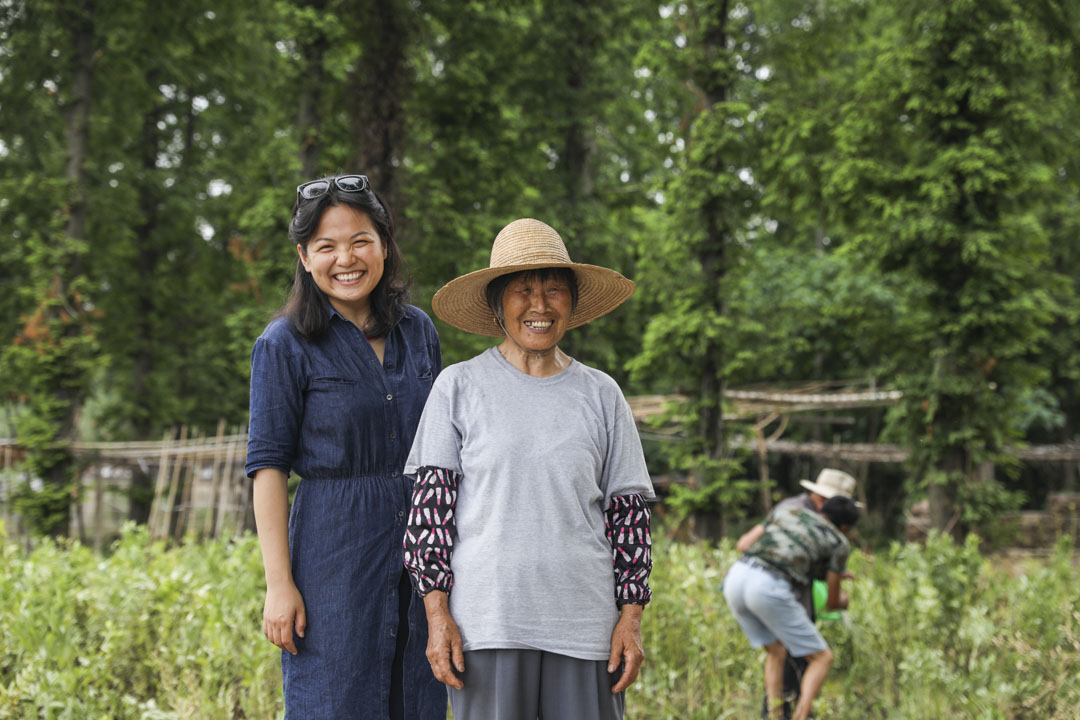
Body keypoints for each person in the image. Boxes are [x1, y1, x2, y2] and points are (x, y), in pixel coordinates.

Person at [401, 218, 654, 720]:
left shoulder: (602, 395)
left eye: (554, 290)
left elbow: (630, 516)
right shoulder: (458, 387)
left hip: (586, 629)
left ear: (573, 303)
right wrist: (437, 618)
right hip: (486, 624)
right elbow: (429, 517)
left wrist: (630, 619)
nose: (539, 305)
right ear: (497, 304)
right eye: (522, 291)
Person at [245, 174, 446, 719]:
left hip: (423, 563)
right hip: (331, 562)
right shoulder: (283, 344)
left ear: (383, 243)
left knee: (419, 699)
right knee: (333, 701)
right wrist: (279, 585)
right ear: (305, 258)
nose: (346, 258)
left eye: (359, 240)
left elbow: (443, 453)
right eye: (326, 246)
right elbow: (268, 469)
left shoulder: (419, 331)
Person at [735, 468, 859, 718]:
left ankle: (777, 715)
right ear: (823, 500)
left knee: (783, 656)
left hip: (743, 580)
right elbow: (746, 543)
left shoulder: (789, 508)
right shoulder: (803, 514)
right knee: (811, 660)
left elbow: (751, 546)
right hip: (776, 593)